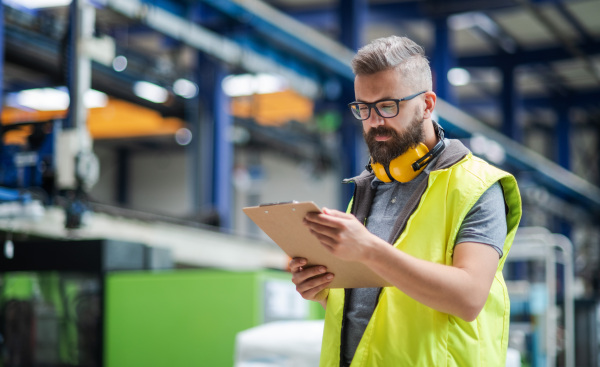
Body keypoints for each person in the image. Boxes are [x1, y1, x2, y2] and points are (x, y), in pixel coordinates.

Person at [290, 35, 522, 367]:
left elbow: (469, 297)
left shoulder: (476, 186)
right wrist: (323, 290)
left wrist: (370, 249)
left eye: (387, 106)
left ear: (427, 104)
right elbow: (376, 306)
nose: (374, 121)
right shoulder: (370, 186)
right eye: (363, 108)